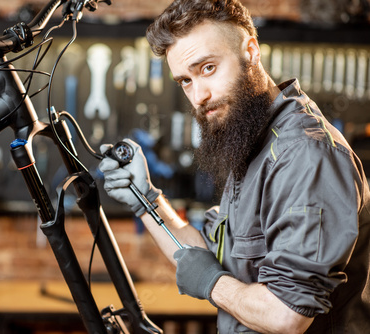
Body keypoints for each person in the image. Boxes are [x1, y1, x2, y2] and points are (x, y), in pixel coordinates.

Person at [98, 0, 370, 333]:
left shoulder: (304, 154)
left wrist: (213, 283)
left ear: (251, 51)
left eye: (207, 68)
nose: (198, 95)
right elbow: (208, 260)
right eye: (185, 80)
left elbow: (287, 316)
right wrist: (147, 199)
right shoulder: (255, 141)